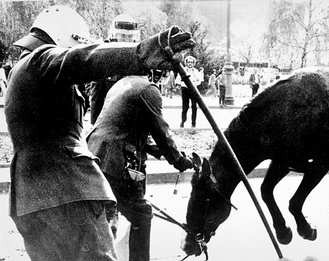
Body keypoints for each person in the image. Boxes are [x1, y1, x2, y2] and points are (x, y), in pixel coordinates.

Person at [5, 5, 194, 261]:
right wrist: (145, 51)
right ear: (63, 37)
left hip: (31, 200)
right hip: (68, 194)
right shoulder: (40, 61)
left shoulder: (24, 72)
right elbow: (83, 60)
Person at [87, 72, 194, 261]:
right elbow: (161, 131)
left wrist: (161, 152)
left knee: (107, 215)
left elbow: (128, 128)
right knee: (142, 215)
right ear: (156, 72)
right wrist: (178, 161)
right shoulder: (148, 90)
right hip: (115, 161)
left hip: (96, 154)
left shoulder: (123, 83)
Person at [89, 13, 141, 124]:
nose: (126, 40)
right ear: (114, 36)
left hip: (133, 123)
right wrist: (94, 128)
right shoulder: (103, 59)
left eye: (130, 37)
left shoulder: (139, 61)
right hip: (110, 122)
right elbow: (96, 99)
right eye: (122, 36)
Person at [176, 55, 201, 128]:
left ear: (194, 63)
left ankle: (193, 123)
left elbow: (199, 81)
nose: (190, 64)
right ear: (186, 63)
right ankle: (183, 121)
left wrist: (194, 83)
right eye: (188, 62)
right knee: (185, 107)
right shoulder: (182, 70)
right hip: (185, 89)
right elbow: (177, 80)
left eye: (191, 62)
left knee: (194, 107)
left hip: (193, 90)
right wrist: (184, 83)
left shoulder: (196, 71)